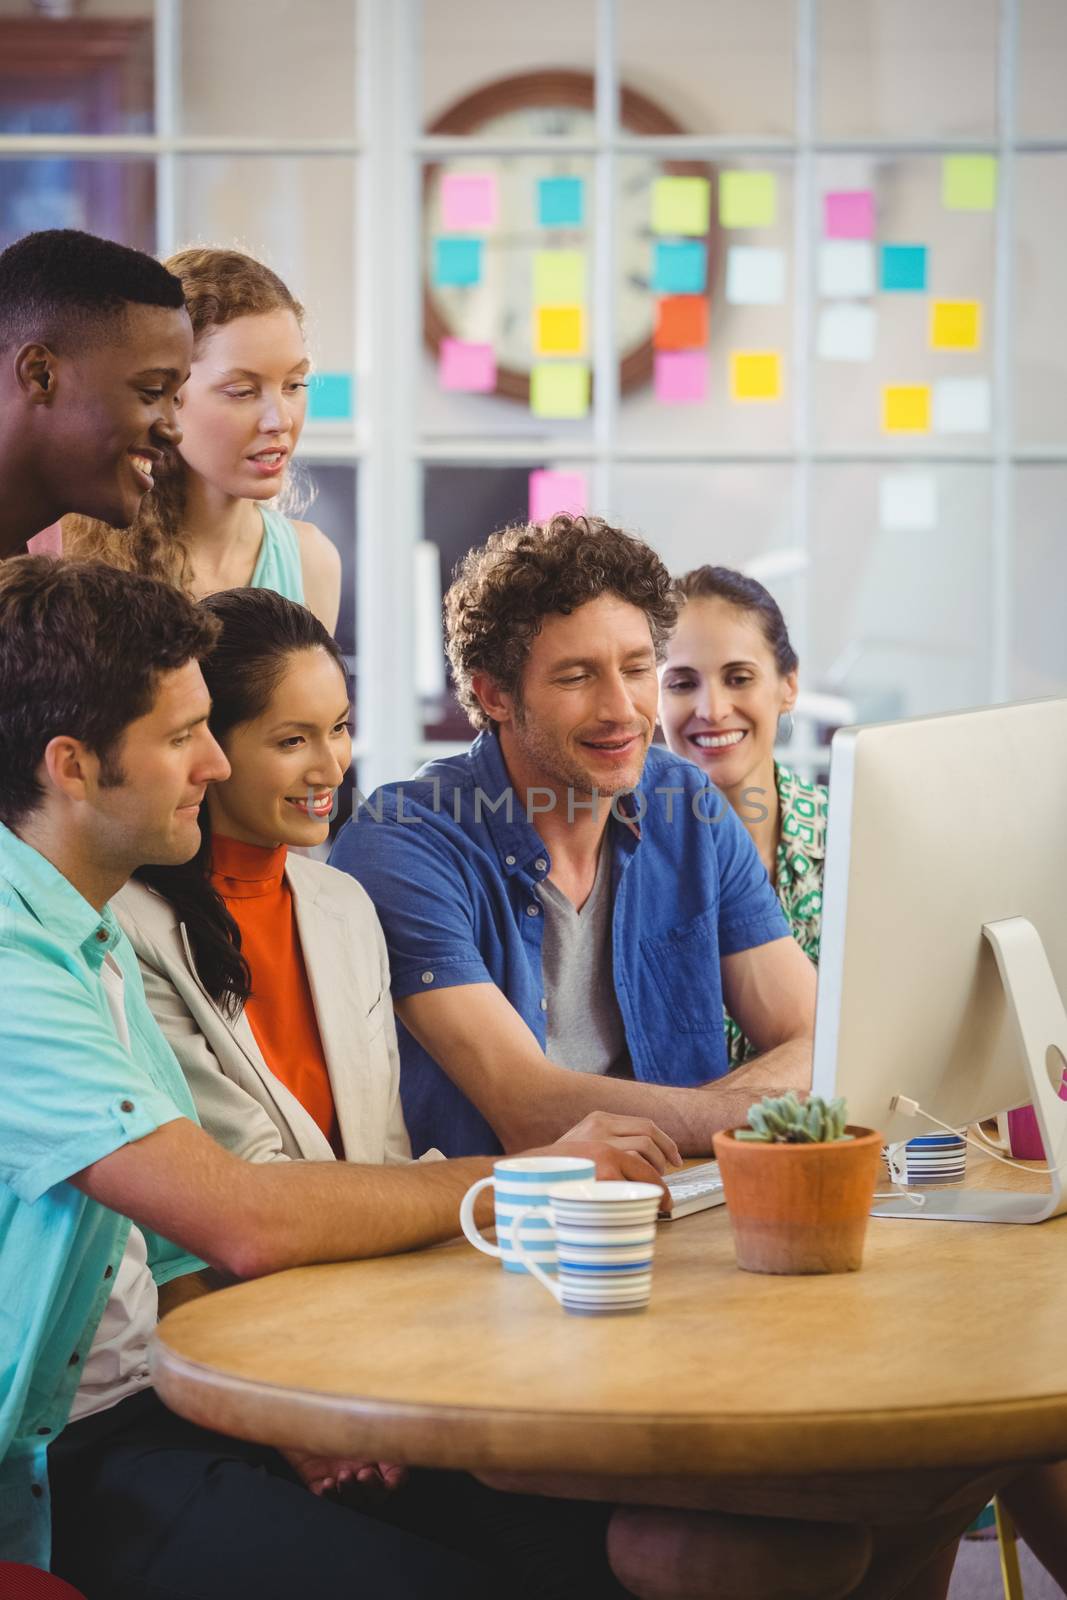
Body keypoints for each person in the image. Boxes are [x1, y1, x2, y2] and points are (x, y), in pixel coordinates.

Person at [0, 556, 658, 1595]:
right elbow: (236, 1217)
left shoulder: (84, 927)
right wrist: (527, 1178)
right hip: (80, 1450)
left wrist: (283, 1406)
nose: (213, 765)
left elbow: (171, 1252)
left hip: (187, 1396)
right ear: (74, 767)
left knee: (597, 1548)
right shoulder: (20, 952)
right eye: (183, 738)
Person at [329, 515, 817, 1161]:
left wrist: (721, 1118)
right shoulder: (404, 842)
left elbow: (819, 1036)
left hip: (689, 1206)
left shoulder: (687, 807)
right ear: (495, 694)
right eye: (576, 677)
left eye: (638, 669)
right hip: (488, 1238)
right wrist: (763, 1115)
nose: (621, 709)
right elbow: (530, 1110)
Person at [63, 247, 341, 630]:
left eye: (294, 384)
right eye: (242, 391)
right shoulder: (75, 557)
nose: (280, 420)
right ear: (164, 393)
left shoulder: (313, 564)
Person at [657, 564, 828, 1065]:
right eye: (683, 683)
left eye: (738, 678)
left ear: (788, 685)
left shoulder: (854, 840)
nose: (712, 709)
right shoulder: (620, 856)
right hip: (680, 1142)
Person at [0, 228, 190, 557]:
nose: (173, 431)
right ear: (41, 375)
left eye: (174, 398)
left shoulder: (38, 551)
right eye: (152, 391)